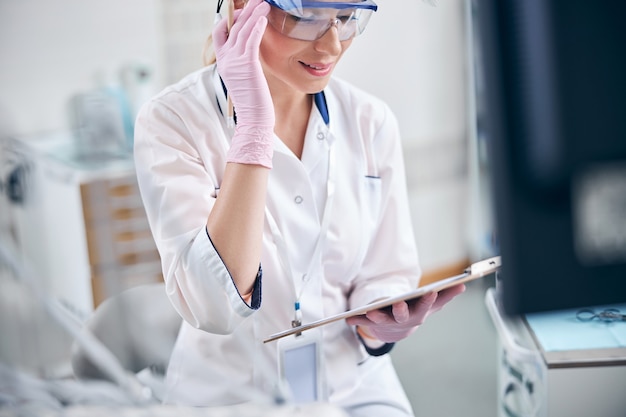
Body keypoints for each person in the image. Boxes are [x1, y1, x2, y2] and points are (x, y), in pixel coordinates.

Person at [133, 0, 465, 415]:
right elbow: (212, 306)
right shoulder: (172, 121)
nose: (330, 46)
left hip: (352, 386)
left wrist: (386, 320)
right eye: (306, 18)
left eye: (345, 19)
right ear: (241, 8)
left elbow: (386, 272)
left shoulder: (370, 120)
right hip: (232, 397)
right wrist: (253, 129)